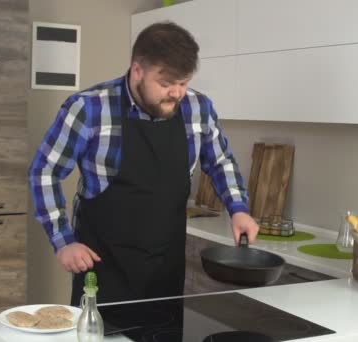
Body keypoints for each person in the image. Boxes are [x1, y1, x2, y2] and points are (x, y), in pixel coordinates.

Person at [29, 21, 259, 306]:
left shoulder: (199, 108)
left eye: (183, 83)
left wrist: (238, 209)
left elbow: (220, 160)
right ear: (137, 70)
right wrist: (63, 242)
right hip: (102, 268)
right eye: (165, 84)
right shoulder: (88, 109)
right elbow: (44, 172)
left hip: (166, 267)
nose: (176, 93)